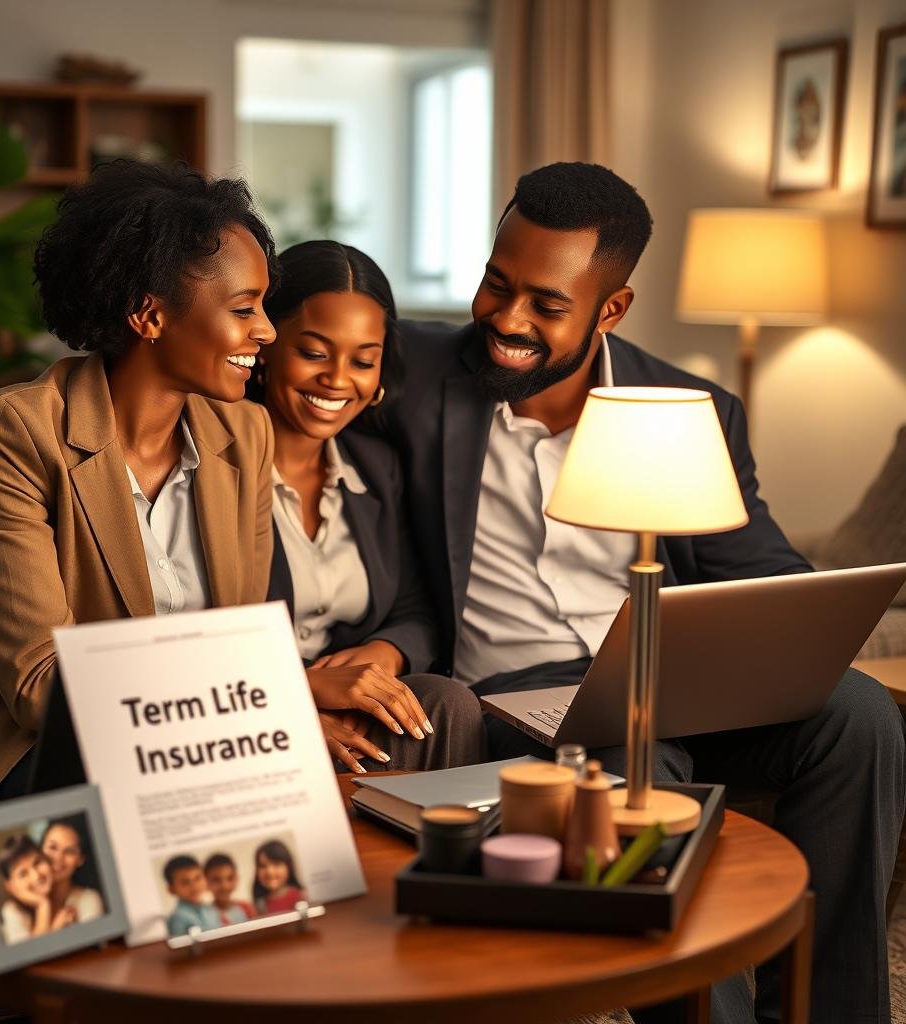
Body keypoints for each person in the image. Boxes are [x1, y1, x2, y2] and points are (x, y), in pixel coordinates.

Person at [371, 161, 904, 1024]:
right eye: (494, 284)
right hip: (514, 698)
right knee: (634, 770)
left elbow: (760, 574)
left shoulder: (689, 406)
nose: (506, 319)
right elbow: (269, 360)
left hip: (670, 680)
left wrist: (791, 624)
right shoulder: (411, 370)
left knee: (858, 713)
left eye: (547, 304)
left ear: (611, 308)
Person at [0, 160, 279, 846]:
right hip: (18, 748)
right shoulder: (14, 431)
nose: (267, 332)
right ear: (150, 315)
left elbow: (241, 647)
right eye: (245, 309)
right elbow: (42, 684)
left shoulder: (244, 434)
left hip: (186, 745)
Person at [252, 240, 486, 773]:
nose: (337, 380)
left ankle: (442, 855)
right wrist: (301, 693)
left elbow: (416, 611)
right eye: (313, 352)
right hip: (248, 710)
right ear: (265, 343)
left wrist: (384, 656)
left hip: (346, 708)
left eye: (363, 361)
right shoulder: (213, 466)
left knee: (447, 702)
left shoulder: (376, 467)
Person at [0, 834, 64, 945]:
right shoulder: (12, 911)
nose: (36, 876)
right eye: (23, 874)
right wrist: (42, 905)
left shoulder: (64, 896)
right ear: (10, 887)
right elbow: (32, 955)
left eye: (37, 863)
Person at [39, 816, 105, 927]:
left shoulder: (89, 900)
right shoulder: (19, 906)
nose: (58, 858)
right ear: (40, 849)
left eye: (69, 851)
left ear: (80, 860)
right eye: (53, 847)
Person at [162, 855, 221, 938]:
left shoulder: (211, 909)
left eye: (198, 878)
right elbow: (180, 948)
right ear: (171, 889)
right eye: (185, 882)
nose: (194, 886)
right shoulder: (178, 918)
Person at [252, 839, 306, 914]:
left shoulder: (302, 896)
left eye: (276, 864)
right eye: (262, 866)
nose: (269, 872)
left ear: (288, 866)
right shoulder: (257, 907)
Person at [203, 852, 256, 926]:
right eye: (216, 880)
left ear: (236, 878)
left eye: (230, 878)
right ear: (206, 882)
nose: (224, 886)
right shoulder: (204, 915)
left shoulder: (246, 908)